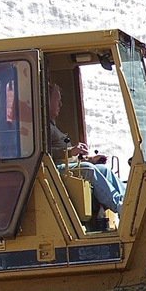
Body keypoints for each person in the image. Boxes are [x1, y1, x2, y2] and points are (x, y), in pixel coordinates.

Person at [48, 82, 125, 215]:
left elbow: (69, 156)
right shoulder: (43, 129)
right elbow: (46, 153)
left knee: (104, 169)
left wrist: (91, 159)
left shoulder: (53, 127)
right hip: (54, 170)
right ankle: (118, 205)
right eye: (57, 100)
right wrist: (71, 151)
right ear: (47, 101)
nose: (60, 105)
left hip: (65, 166)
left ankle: (126, 201)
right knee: (88, 169)